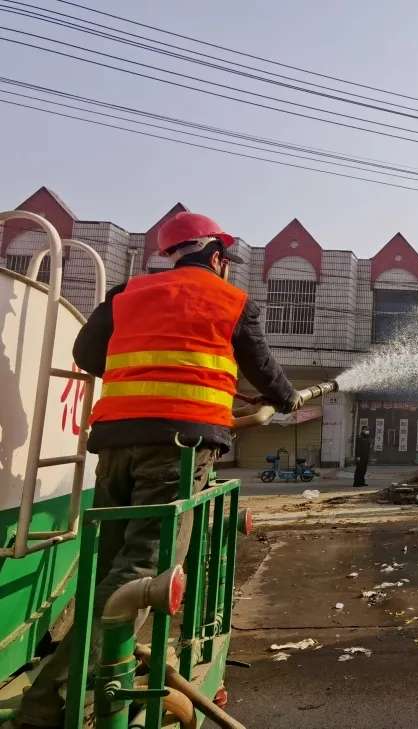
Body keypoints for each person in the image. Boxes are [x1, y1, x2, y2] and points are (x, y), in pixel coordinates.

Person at [19, 212, 301, 729]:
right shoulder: (232, 301)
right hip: (177, 453)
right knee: (140, 577)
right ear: (216, 256)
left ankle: (84, 679)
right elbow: (264, 369)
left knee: (108, 568)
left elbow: (86, 353)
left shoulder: (128, 294)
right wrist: (285, 400)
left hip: (115, 446)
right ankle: (49, 701)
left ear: (171, 254)